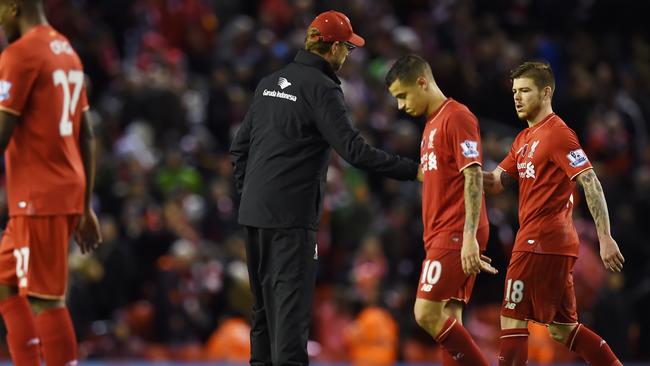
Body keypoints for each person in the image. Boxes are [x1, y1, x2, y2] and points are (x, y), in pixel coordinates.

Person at [229, 10, 420, 366]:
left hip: (254, 216)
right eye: (347, 47)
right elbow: (354, 151)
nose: (348, 55)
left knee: (263, 318)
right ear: (331, 49)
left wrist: (252, 194)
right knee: (290, 321)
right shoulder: (323, 88)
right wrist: (413, 171)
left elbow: (239, 149)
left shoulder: (270, 81)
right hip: (291, 222)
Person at [483, 61, 624, 366]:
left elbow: (590, 181)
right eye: (515, 92)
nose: (517, 98)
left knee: (511, 317)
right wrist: (463, 174)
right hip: (551, 245)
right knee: (563, 330)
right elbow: (495, 182)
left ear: (546, 92)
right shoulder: (523, 139)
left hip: (539, 241)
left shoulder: (558, 134)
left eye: (525, 91)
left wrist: (605, 237)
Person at [0, 0, 102, 365]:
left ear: (12, 7)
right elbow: (86, 134)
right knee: (5, 280)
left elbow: (2, 132)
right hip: (58, 189)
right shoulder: (66, 51)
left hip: (39, 195)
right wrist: (86, 204)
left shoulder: (20, 54)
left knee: (46, 299)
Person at [385, 54, 497, 366]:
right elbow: (461, 173)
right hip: (441, 232)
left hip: (455, 231)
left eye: (403, 96)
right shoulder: (431, 125)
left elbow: (472, 175)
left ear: (422, 82)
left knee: (425, 313)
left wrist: (469, 236)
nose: (400, 106)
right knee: (450, 317)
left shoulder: (456, 116)